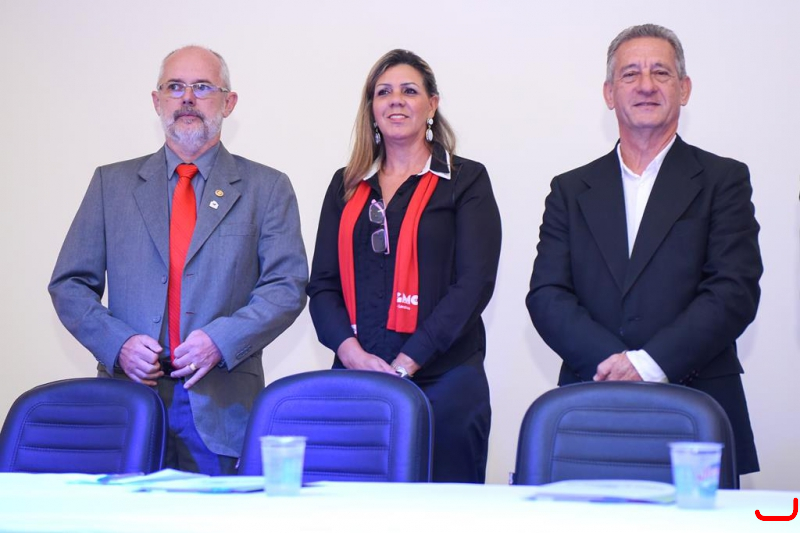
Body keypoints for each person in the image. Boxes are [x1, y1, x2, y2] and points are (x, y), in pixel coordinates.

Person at [48, 46, 308, 475]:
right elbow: (69, 284)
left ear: (229, 102)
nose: (187, 98)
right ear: (157, 101)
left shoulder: (267, 188)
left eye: (202, 87)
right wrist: (119, 345)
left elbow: (286, 287)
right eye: (175, 87)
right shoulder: (110, 184)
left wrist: (220, 341)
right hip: (129, 396)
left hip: (222, 401)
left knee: (215, 512)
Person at [526, 24, 762, 476]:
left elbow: (733, 291)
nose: (647, 85)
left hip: (697, 408)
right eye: (630, 74)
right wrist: (614, 366)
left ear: (684, 89)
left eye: (661, 72)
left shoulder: (723, 180)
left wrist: (647, 365)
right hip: (590, 403)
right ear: (609, 93)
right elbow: (547, 295)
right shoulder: (570, 189)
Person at [306, 49, 501, 483]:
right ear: (371, 109)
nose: (396, 100)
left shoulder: (466, 180)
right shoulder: (345, 185)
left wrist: (407, 363)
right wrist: (350, 353)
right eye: (384, 92)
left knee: (444, 510)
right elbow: (322, 285)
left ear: (432, 105)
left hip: (445, 380)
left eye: (409, 91)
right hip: (358, 375)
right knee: (354, 505)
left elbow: (474, 283)